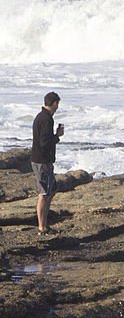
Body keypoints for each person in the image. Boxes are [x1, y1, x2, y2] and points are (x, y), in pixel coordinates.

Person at [31, 91, 64, 236]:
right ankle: (42, 227)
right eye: (58, 103)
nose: (58, 106)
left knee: (51, 190)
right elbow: (44, 143)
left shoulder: (42, 117)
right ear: (54, 103)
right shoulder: (46, 119)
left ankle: (44, 223)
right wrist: (57, 136)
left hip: (42, 160)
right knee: (44, 194)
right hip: (42, 161)